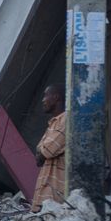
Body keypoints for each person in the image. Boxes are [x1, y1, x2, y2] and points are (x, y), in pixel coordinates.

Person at [33, 84, 67, 212]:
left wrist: (42, 150)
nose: (43, 100)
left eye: (45, 95)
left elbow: (47, 151)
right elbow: (38, 156)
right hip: (45, 195)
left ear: (56, 97)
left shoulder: (66, 119)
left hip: (55, 197)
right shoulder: (53, 123)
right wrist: (42, 150)